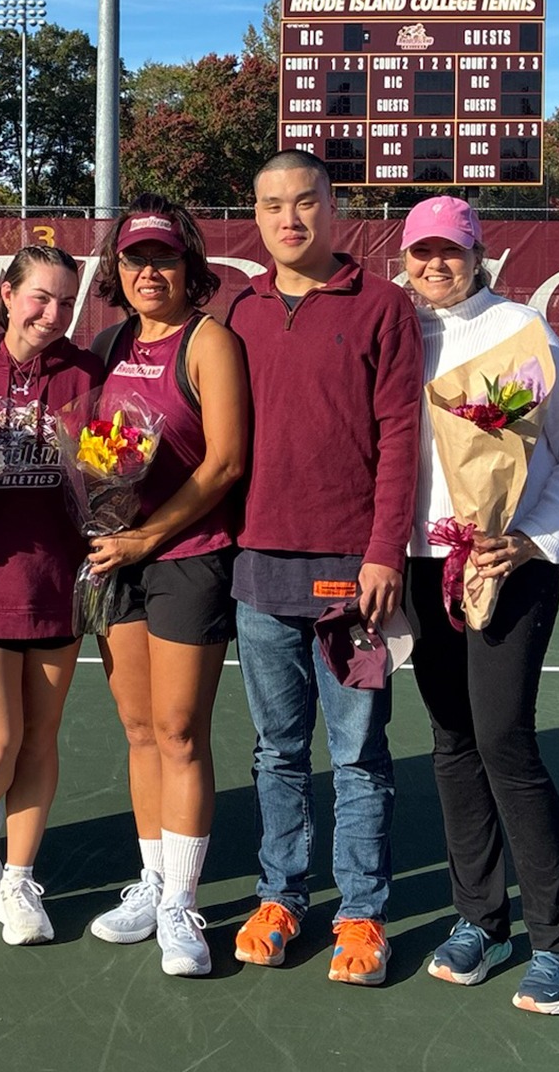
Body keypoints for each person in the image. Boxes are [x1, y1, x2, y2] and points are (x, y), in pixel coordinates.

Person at [398, 195, 559, 1015]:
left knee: (504, 742)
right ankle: (481, 919)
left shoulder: (522, 330)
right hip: (420, 568)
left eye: (450, 251)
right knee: (451, 743)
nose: (435, 266)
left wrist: (532, 539)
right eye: (421, 253)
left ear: (477, 254)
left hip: (506, 568)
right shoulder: (399, 332)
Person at [224, 149, 423, 986]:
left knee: (357, 756)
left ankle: (362, 914)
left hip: (352, 578)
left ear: (334, 210)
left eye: (305, 203)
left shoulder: (383, 307)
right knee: (276, 752)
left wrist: (384, 551)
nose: (290, 219)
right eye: (273, 206)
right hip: (260, 573)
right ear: (259, 219)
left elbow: (401, 436)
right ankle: (280, 895)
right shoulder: (238, 312)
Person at [83, 196, 249, 977]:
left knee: (180, 731)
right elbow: (96, 451)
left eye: (164, 259)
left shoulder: (210, 342)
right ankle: (151, 881)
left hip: (191, 555)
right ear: (117, 271)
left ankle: (184, 903)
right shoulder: (109, 342)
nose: (150, 272)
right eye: (135, 259)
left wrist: (151, 534)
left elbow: (225, 463)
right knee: (139, 729)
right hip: (120, 560)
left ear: (190, 268)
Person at [0, 246, 104, 946]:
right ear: (6, 294)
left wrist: (109, 475)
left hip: (60, 582)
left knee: (40, 735)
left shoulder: (87, 374)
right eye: (39, 296)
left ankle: (20, 875)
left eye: (66, 303)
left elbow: (111, 468)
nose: (52, 313)